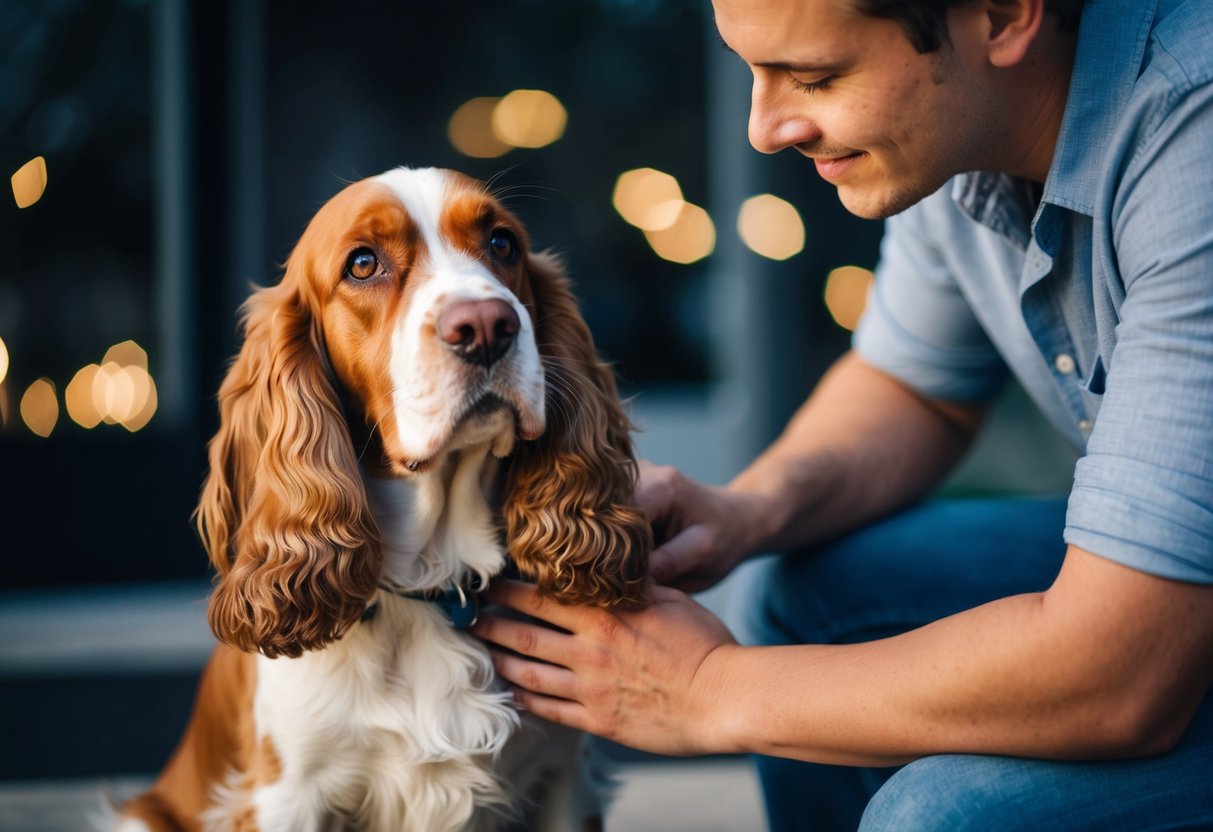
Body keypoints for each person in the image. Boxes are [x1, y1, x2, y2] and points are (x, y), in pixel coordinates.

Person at [471, 0, 1213, 828]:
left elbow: (1119, 676)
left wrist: (706, 690)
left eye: (816, 76)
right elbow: (915, 388)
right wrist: (746, 513)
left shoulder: (1194, 136)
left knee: (941, 818)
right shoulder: (965, 122)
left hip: (1149, 644)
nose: (763, 128)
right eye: (752, 70)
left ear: (1003, 16)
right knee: (811, 590)